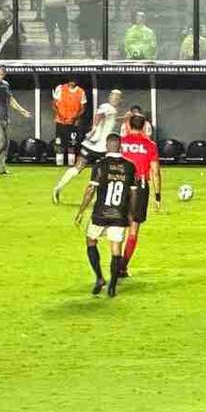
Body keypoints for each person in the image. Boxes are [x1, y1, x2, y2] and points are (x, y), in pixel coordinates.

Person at [73, 133, 139, 298]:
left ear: (106, 146)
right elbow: (134, 195)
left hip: (101, 213)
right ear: (120, 146)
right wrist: (132, 215)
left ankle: (99, 277)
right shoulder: (130, 166)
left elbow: (90, 191)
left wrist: (81, 211)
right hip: (119, 213)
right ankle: (113, 286)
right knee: (116, 249)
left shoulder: (100, 165)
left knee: (90, 241)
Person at [54, 89, 124, 203]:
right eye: (113, 96)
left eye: (117, 97)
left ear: (120, 100)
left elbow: (111, 119)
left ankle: (104, 198)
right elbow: (99, 116)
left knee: (106, 172)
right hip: (93, 145)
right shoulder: (106, 106)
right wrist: (94, 127)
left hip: (103, 149)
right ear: (109, 97)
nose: (115, 99)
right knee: (78, 169)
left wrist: (125, 118)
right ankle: (57, 189)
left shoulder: (113, 111)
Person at [118, 114, 161, 278]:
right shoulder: (150, 145)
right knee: (133, 229)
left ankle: (116, 260)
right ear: (144, 127)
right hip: (140, 186)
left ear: (128, 125)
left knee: (118, 226)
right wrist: (157, 196)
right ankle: (123, 266)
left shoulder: (120, 142)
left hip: (120, 185)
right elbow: (155, 172)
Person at [52, 78, 88, 166]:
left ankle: (71, 164)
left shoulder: (81, 92)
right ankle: (59, 164)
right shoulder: (60, 88)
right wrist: (60, 115)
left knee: (72, 144)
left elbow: (83, 108)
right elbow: (54, 104)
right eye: (71, 79)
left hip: (73, 123)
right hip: (61, 122)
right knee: (59, 144)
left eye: (74, 80)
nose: (72, 81)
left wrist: (75, 117)